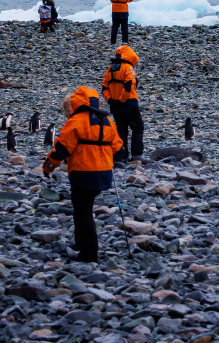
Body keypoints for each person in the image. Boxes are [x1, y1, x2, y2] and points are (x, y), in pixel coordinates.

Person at [42, 85, 122, 263]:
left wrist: (48, 166)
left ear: (76, 102)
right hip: (104, 174)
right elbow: (119, 152)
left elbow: (61, 149)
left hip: (83, 173)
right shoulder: (107, 121)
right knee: (83, 208)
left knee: (83, 212)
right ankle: (80, 243)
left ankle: (88, 254)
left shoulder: (76, 121)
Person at [102, 44, 144, 164]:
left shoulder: (110, 69)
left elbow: (104, 87)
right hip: (129, 103)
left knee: (121, 129)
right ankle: (137, 155)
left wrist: (110, 100)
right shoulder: (128, 67)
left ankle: (122, 156)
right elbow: (128, 85)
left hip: (115, 106)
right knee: (138, 126)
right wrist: (122, 100)